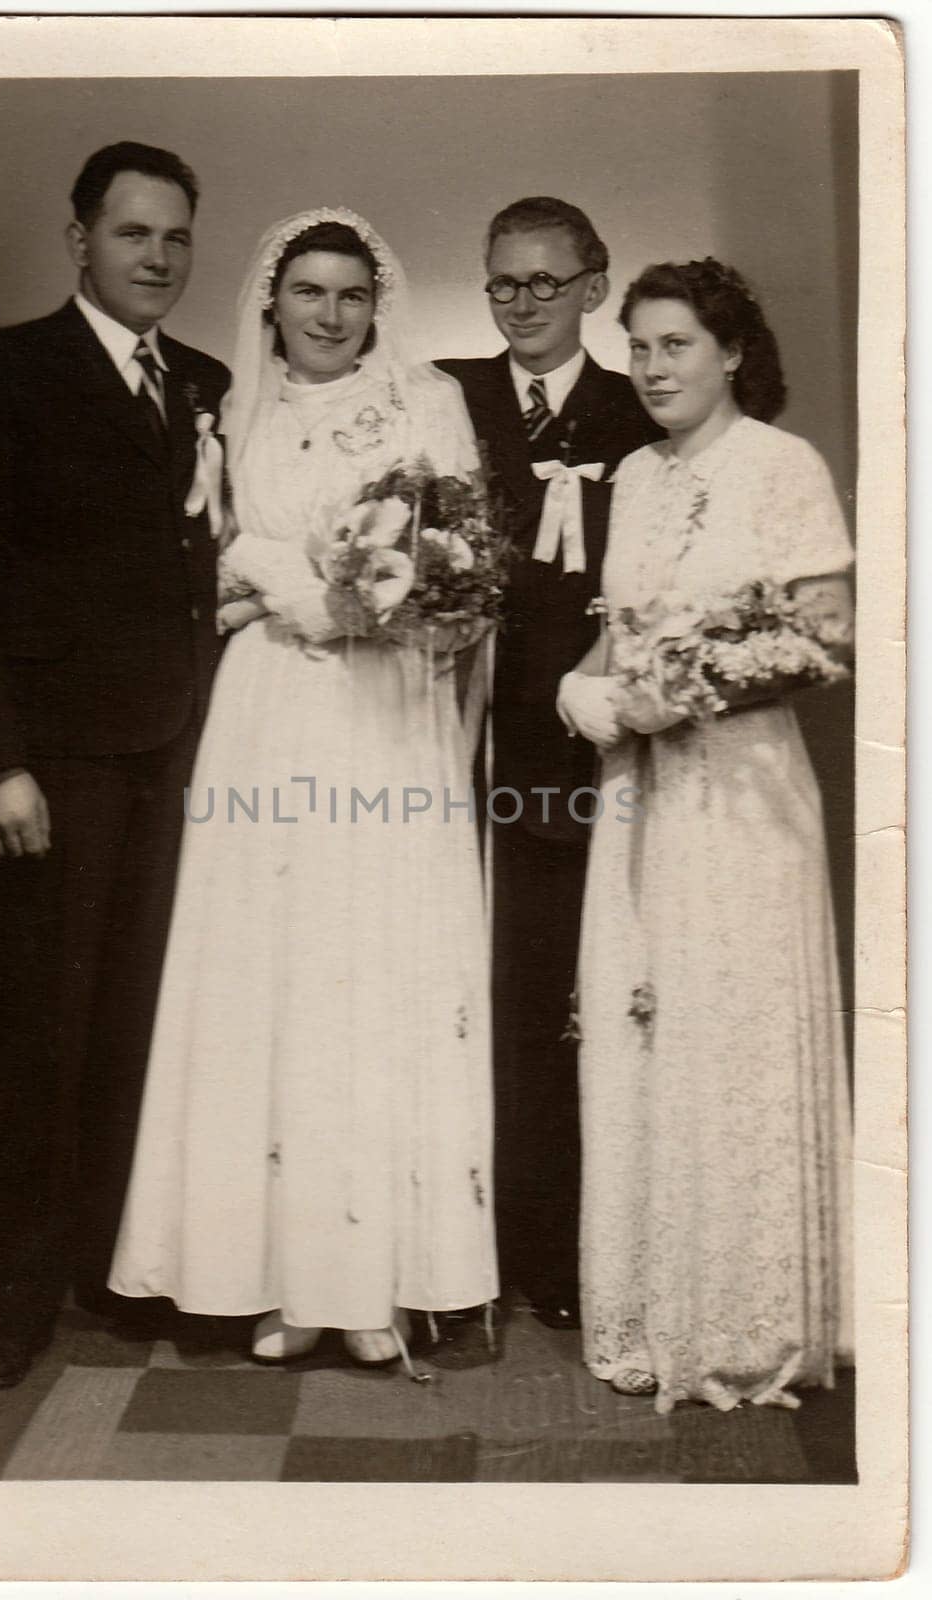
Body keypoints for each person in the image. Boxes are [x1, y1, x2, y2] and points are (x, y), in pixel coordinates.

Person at [109, 209, 498, 1368]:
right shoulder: (225, 407)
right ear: (272, 298)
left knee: (369, 970)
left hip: (383, 714)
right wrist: (282, 584)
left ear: (378, 305)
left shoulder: (428, 407)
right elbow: (209, 554)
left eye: (351, 296)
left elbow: (464, 568)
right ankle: (271, 1273)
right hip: (269, 713)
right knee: (267, 978)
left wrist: (373, 597)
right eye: (308, 293)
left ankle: (372, 1279)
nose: (330, 316)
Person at [0, 142, 230, 1390]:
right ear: (79, 240)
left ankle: (109, 1271)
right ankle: (2, 1300)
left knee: (136, 1029)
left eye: (175, 237)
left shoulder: (213, 380)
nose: (158, 258)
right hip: (53, 766)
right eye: (133, 234)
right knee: (33, 1034)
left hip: (177, 759)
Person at [559, 258, 854, 1412]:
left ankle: (752, 1323)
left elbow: (821, 642)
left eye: (675, 345)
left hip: (743, 801)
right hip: (642, 801)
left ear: (732, 352)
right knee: (647, 1030)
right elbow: (615, 639)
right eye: (637, 347)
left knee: (733, 1031)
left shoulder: (784, 467)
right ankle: (655, 1308)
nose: (652, 367)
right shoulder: (630, 476)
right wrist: (585, 692)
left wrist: (681, 696)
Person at [437, 198, 661, 1326]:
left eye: (544, 281)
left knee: (547, 996)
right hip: (436, 742)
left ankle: (552, 1245)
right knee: (444, 989)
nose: (522, 303)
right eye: (502, 283)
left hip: (564, 753)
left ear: (594, 284)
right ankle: (442, 1242)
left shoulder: (641, 407)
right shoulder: (445, 396)